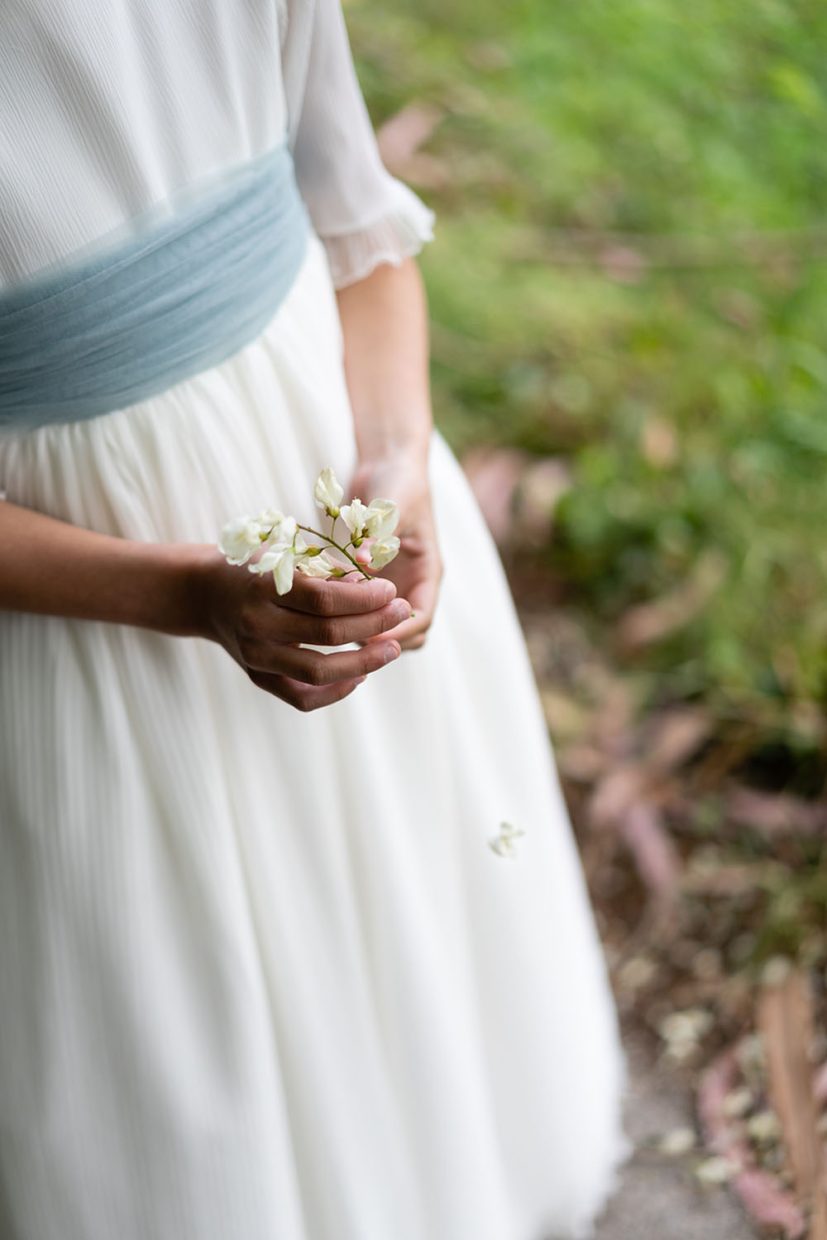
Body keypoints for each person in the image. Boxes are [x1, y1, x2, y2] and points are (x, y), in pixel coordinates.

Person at [0, 2, 626, 1237]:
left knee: (398, 907)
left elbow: (357, 230)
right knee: (177, 1004)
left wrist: (392, 462)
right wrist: (185, 593)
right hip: (85, 613)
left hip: (325, 475)